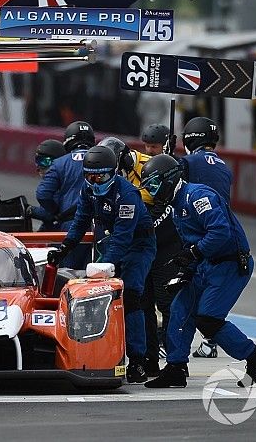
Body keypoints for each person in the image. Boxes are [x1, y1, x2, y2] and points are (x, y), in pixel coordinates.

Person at [140, 155, 256, 389]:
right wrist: (185, 269)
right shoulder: (176, 205)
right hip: (206, 264)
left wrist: (194, 254)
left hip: (229, 265)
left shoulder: (198, 196)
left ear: (168, 180)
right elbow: (191, 243)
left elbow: (220, 233)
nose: (151, 192)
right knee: (180, 309)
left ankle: (255, 359)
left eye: (153, 185)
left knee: (208, 319)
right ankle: (176, 368)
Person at [47, 145, 156, 383]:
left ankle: (138, 360)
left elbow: (123, 237)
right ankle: (99, 351)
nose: (95, 181)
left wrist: (103, 264)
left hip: (138, 246)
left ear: (114, 172)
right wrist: (65, 247)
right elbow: (80, 220)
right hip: (110, 242)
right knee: (99, 298)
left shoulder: (127, 195)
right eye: (90, 176)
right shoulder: (88, 190)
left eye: (101, 176)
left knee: (132, 297)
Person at [99, 136, 180, 376]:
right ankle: (149, 360)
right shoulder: (111, 179)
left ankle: (176, 362)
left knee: (167, 304)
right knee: (141, 302)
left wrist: (146, 221)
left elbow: (169, 200)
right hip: (139, 243)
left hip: (165, 242)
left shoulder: (150, 166)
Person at [178, 117, 230, 358]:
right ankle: (210, 341)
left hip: (196, 231)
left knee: (186, 295)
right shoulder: (223, 166)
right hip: (220, 233)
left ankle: (175, 348)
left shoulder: (187, 162)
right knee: (211, 293)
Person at [35, 121, 95, 268]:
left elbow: (43, 194)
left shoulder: (60, 163)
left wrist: (56, 213)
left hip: (70, 226)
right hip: (98, 226)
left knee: (66, 273)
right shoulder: (103, 160)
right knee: (94, 275)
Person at [27, 139, 66, 231]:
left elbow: (49, 215)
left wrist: (29, 209)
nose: (38, 167)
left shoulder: (63, 185)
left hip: (63, 232)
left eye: (45, 161)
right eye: (37, 160)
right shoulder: (54, 183)